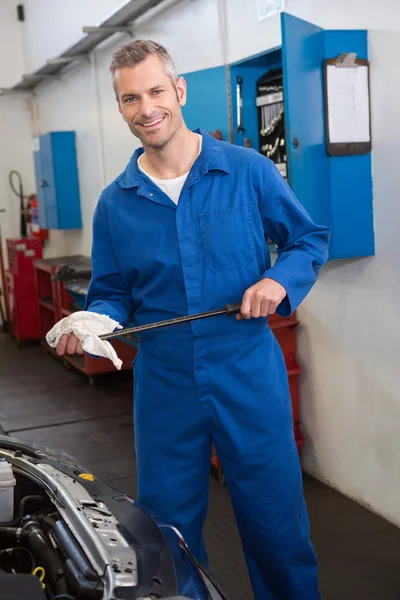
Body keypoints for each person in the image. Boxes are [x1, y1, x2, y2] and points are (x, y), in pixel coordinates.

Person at [55, 40, 330, 600]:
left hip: (247, 373)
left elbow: (306, 240)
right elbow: (112, 292)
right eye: (131, 98)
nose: (146, 107)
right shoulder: (116, 203)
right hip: (166, 383)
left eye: (156, 91)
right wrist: (96, 321)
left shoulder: (247, 172)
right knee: (165, 532)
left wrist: (279, 281)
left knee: (276, 522)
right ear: (121, 108)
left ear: (179, 92)